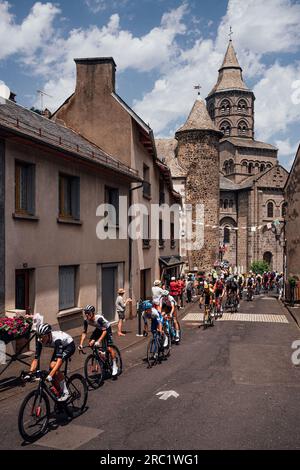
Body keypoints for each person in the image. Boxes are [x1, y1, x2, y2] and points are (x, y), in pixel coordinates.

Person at [26, 323, 75, 401]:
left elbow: (59, 361)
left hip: (69, 346)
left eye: (43, 337)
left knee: (53, 367)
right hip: (58, 348)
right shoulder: (40, 340)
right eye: (39, 336)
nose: (41, 339)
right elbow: (36, 359)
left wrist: (51, 375)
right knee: (51, 371)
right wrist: (30, 373)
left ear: (49, 335)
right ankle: (59, 391)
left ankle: (66, 392)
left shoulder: (57, 340)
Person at [78, 305, 118, 376]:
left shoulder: (99, 319)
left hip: (106, 329)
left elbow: (104, 331)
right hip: (99, 329)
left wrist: (98, 341)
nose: (87, 315)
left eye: (88, 313)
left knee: (109, 348)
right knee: (91, 343)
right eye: (85, 313)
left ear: (92, 313)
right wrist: (81, 344)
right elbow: (84, 332)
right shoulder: (86, 321)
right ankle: (101, 359)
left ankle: (114, 365)